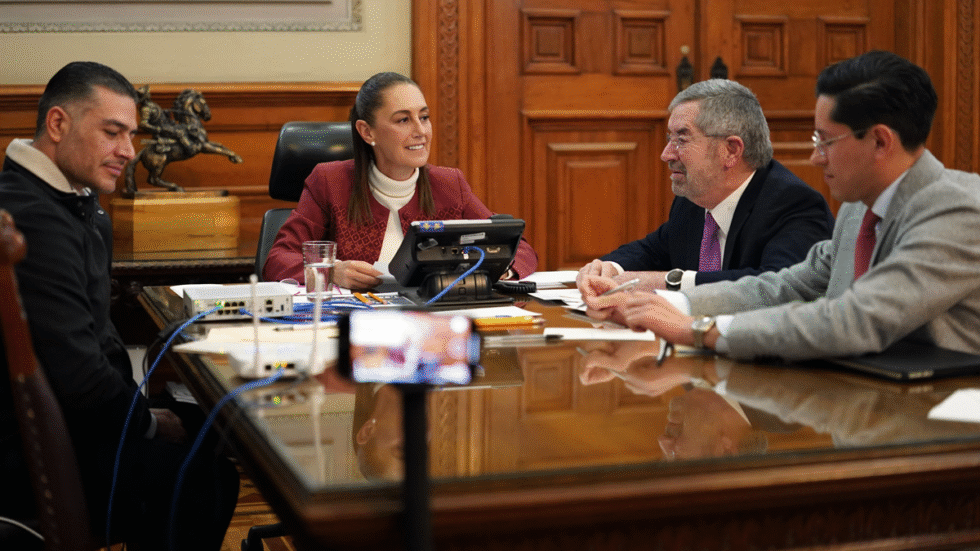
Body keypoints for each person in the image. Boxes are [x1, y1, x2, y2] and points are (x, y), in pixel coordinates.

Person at [581, 50, 980, 362]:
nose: (815, 158)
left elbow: (858, 319)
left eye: (826, 142)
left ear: (879, 141)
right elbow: (786, 286)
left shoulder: (958, 211)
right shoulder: (860, 209)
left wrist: (699, 330)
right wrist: (660, 305)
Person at [0, 61, 239, 550]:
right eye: (113, 133)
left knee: (212, 437)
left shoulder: (68, 201)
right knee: (201, 475)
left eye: (131, 134)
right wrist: (150, 423)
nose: (129, 152)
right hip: (38, 457)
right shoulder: (32, 218)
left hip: (76, 428)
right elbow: (80, 377)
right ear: (58, 124)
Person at [264, 71, 538, 290]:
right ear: (367, 131)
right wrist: (331, 272)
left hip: (432, 328)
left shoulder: (449, 184)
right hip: (353, 328)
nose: (421, 131)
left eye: (424, 117)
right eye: (403, 120)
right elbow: (277, 260)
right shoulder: (330, 182)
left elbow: (519, 249)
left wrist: (500, 267)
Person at [577, 79, 834, 293]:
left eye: (682, 139)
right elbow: (654, 249)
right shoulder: (694, 200)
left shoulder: (794, 205)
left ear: (731, 150)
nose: (667, 154)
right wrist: (609, 267)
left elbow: (775, 288)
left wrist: (670, 282)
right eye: (670, 139)